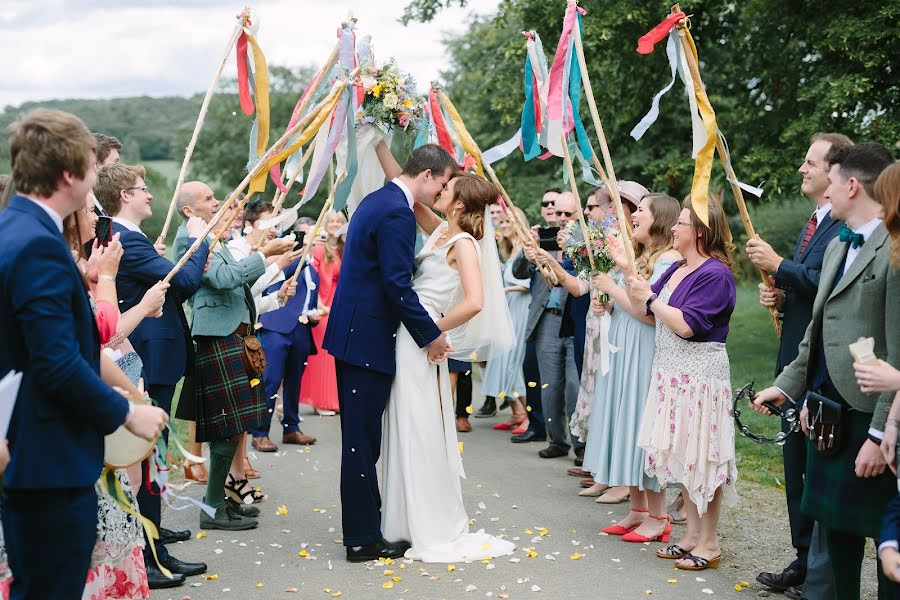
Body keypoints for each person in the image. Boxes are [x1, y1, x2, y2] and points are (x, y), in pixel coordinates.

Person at [0, 108, 167, 599]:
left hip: (27, 449)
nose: (98, 180)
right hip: (46, 458)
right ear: (69, 174)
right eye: (93, 167)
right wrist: (126, 413)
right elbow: (55, 360)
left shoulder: (17, 229)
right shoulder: (37, 245)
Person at [752, 142, 896, 599]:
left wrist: (879, 435)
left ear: (851, 185)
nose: (825, 193)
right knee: (835, 534)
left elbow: (897, 350)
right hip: (825, 412)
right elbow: (815, 331)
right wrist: (786, 385)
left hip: (871, 420)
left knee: (886, 544)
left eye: (831, 182)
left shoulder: (893, 250)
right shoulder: (835, 246)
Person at [369, 151, 517, 561]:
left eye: (447, 186)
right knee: (405, 423)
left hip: (422, 339)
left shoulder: (465, 244)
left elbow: (474, 301)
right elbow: (409, 187)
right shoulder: (439, 234)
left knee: (419, 426)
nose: (439, 186)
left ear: (459, 202)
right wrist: (380, 141)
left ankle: (424, 520)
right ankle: (401, 520)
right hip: (409, 336)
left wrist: (434, 331)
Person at [323, 142, 455, 562]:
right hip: (366, 338)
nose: (441, 193)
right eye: (443, 184)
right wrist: (430, 334)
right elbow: (397, 285)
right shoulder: (396, 211)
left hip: (355, 334)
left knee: (362, 440)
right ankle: (361, 539)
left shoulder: (379, 200)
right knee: (361, 443)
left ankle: (367, 526)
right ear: (428, 175)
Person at [95, 163, 210, 588]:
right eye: (143, 189)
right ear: (125, 195)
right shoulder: (125, 238)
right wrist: (199, 239)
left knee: (154, 457)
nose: (150, 195)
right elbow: (184, 282)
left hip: (150, 351)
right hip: (144, 352)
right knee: (148, 455)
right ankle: (149, 552)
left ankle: (154, 546)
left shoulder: (132, 239)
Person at [749, 133, 853, 599]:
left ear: (836, 172)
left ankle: (817, 570)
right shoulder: (814, 221)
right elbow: (807, 290)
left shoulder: (845, 227)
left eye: (810, 163)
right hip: (795, 356)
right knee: (795, 464)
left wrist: (781, 266)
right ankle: (802, 556)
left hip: (824, 371)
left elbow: (832, 289)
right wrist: (780, 294)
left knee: (815, 470)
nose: (801, 169)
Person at [623, 193, 738, 571]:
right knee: (681, 458)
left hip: (701, 378)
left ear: (701, 231)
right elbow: (650, 312)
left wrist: (651, 300)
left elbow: (688, 325)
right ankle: (689, 536)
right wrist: (629, 275)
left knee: (703, 458)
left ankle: (709, 542)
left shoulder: (715, 274)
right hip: (671, 375)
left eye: (681, 223)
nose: (673, 227)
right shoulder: (678, 268)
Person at [187, 199, 294, 530]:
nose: (217, 202)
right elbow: (223, 280)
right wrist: (266, 257)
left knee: (233, 426)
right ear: (189, 209)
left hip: (236, 337)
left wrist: (276, 297)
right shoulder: (191, 237)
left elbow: (237, 290)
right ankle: (212, 507)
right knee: (226, 426)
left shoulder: (212, 239)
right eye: (208, 199)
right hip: (219, 338)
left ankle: (217, 501)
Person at [578, 194, 680, 529]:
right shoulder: (639, 256)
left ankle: (659, 515)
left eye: (640, 210)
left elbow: (651, 315)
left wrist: (613, 288)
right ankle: (637, 509)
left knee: (642, 425)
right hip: (623, 347)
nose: (633, 215)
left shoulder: (668, 261)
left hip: (645, 349)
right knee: (626, 424)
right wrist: (604, 303)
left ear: (660, 219)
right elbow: (625, 304)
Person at [513, 192, 582, 460]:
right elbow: (519, 272)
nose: (561, 219)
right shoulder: (543, 239)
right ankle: (557, 439)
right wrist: (527, 251)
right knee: (550, 385)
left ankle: (581, 444)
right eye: (558, 213)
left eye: (568, 214)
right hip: (547, 320)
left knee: (575, 386)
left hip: (574, 320)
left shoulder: (584, 241)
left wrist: (573, 247)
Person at [481, 207, 531, 432]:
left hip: (521, 308)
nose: (505, 224)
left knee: (515, 361)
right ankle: (515, 412)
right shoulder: (509, 251)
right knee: (502, 358)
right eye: (503, 221)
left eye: (510, 220)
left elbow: (530, 284)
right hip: (508, 309)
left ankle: (529, 415)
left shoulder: (526, 250)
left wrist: (506, 291)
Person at [300, 210, 346, 416]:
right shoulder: (319, 248)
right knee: (324, 355)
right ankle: (322, 401)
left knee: (337, 354)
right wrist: (319, 307)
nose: (335, 224)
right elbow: (313, 279)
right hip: (323, 305)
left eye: (339, 221)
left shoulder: (345, 248)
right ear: (325, 224)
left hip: (340, 306)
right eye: (331, 221)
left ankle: (334, 399)